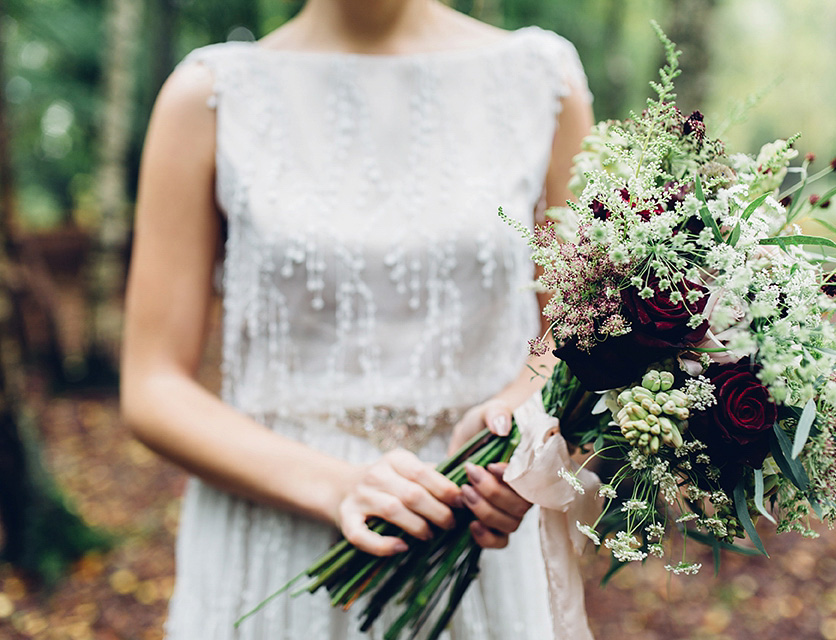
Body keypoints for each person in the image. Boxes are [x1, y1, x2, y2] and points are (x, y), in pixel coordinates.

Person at [120, 0, 593, 637]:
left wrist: (520, 426)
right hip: (276, 532)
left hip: (472, 533)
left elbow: (581, 332)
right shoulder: (209, 95)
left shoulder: (542, 80)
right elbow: (152, 387)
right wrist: (337, 486)